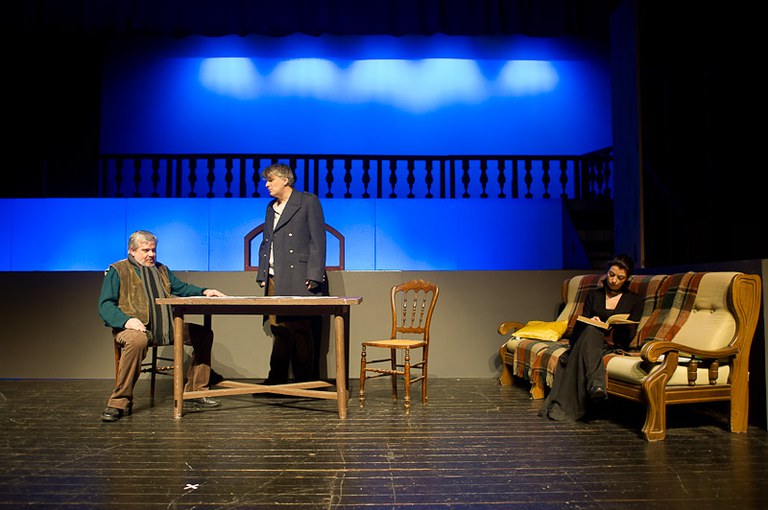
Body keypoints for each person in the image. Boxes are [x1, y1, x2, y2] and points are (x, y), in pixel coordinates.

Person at [98, 230, 227, 422]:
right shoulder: (118, 270)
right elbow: (105, 305)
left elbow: (181, 288)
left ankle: (196, 391)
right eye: (146, 250)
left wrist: (205, 291)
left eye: (154, 250)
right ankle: (118, 402)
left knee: (203, 335)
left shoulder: (162, 270)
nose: (151, 254)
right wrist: (126, 321)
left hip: (165, 327)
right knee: (137, 341)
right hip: (133, 328)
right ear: (132, 251)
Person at [540, 254, 643, 422]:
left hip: (612, 343)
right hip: (587, 338)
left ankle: (570, 403)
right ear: (606, 273)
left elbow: (630, 332)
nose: (614, 280)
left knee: (579, 351)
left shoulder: (635, 300)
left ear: (627, 279)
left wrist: (615, 326)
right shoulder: (594, 295)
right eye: (611, 274)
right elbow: (580, 325)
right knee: (590, 330)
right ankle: (596, 385)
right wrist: (593, 322)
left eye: (620, 278)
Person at [256, 163, 327, 386]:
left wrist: (314, 274)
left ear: (285, 180)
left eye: (271, 180)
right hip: (275, 277)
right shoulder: (271, 207)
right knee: (278, 328)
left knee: (300, 327)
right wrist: (262, 273)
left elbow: (318, 240)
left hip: (300, 275)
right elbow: (266, 241)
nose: (267, 185)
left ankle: (305, 381)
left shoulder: (307, 201)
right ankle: (276, 379)